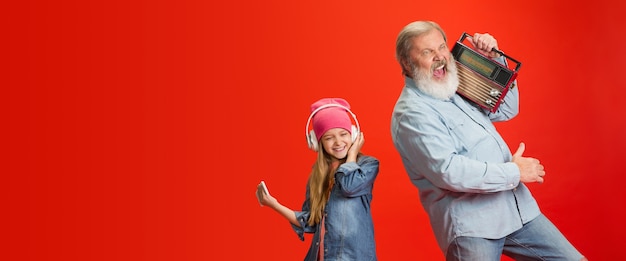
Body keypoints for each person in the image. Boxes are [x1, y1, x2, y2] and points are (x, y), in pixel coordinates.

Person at [390, 21, 587, 261]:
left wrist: (493, 60)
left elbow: (507, 109)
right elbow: (449, 171)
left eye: (441, 47)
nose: (440, 57)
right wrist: (514, 172)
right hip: (473, 227)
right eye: (427, 52)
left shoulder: (451, 85)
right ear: (407, 64)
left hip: (515, 212)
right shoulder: (412, 113)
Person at [257, 97, 380, 261]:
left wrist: (351, 155)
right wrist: (274, 204)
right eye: (329, 138)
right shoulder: (318, 175)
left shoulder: (367, 165)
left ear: (354, 134)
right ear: (317, 142)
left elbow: (348, 186)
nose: (338, 142)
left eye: (343, 134)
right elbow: (310, 222)